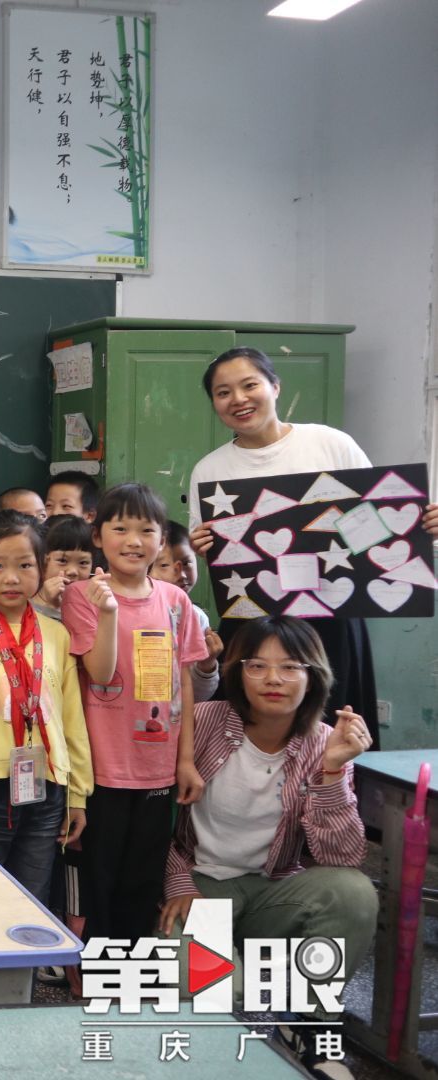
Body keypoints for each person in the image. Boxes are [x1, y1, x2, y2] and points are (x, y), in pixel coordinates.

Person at [187, 346, 438, 744]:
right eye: (223, 392)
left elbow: (377, 517)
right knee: (248, 731)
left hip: (334, 614)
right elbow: (206, 550)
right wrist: (200, 544)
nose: (238, 399)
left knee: (333, 728)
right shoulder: (210, 469)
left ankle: (335, 784)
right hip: (252, 619)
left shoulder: (330, 443)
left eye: (249, 385)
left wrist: (420, 525)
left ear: (275, 386)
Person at [159, 617, 376, 1072]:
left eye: (290, 667)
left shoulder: (324, 743)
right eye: (257, 666)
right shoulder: (202, 723)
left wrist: (333, 772)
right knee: (220, 987)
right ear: (238, 673)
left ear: (313, 676)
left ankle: (310, 1026)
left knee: (353, 890)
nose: (273, 679)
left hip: (273, 891)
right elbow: (152, 819)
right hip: (200, 888)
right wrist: (177, 881)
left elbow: (342, 857)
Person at [62, 483, 207, 944]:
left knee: (143, 879)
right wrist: (107, 611)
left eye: (146, 530)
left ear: (162, 540)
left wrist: (185, 760)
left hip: (157, 766)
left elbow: (183, 682)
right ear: (98, 537)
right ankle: (96, 967)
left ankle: (134, 966)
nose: (133, 541)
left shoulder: (175, 601)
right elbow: (99, 673)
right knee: (98, 877)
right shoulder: (82, 596)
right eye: (120, 528)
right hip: (101, 768)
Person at [0, 510, 91, 903]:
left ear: (41, 567)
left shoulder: (57, 634)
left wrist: (78, 794)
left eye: (24, 565)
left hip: (49, 784)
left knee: (32, 897)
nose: (11, 578)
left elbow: (72, 719)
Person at [153, 520, 222, 701]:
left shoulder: (197, 618)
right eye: (165, 565)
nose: (181, 574)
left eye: (186, 563)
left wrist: (206, 665)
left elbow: (198, 697)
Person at [32, 515, 95, 621]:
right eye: (62, 561)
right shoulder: (27, 606)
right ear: (43, 561)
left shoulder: (95, 603)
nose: (72, 571)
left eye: (83, 563)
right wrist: (51, 606)